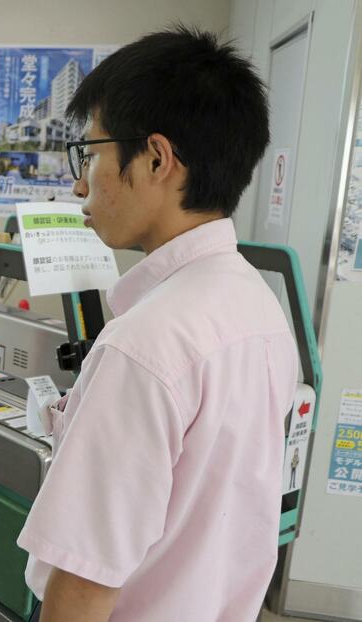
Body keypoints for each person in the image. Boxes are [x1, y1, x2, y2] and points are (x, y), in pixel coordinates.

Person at [17, 26, 299, 621]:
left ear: (155, 158)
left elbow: (86, 583)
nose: (78, 182)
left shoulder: (145, 345)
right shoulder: (261, 308)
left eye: (90, 155)